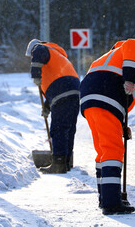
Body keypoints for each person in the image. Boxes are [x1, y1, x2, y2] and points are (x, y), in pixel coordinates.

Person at [79, 39, 135, 215]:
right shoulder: (131, 46)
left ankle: (106, 197)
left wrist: (121, 124)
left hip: (89, 100)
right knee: (113, 150)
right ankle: (111, 203)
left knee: (103, 150)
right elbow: (133, 45)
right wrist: (130, 80)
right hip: (106, 96)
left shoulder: (106, 57)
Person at [25, 39, 80, 174]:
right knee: (68, 128)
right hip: (75, 90)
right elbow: (58, 83)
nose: (32, 58)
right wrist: (47, 107)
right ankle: (66, 161)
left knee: (59, 127)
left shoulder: (41, 48)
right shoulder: (57, 56)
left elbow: (38, 50)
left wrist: (35, 74)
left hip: (62, 89)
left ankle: (59, 164)